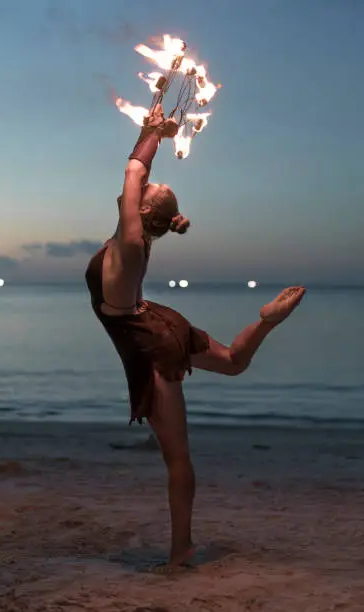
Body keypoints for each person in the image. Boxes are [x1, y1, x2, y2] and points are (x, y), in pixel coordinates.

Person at [85, 103, 306, 570]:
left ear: (140, 210)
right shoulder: (134, 236)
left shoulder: (129, 241)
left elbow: (132, 169)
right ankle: (265, 321)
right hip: (155, 318)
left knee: (177, 457)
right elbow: (133, 178)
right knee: (232, 361)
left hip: (149, 343)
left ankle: (182, 549)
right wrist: (153, 128)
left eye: (145, 191)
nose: (140, 188)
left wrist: (156, 133)